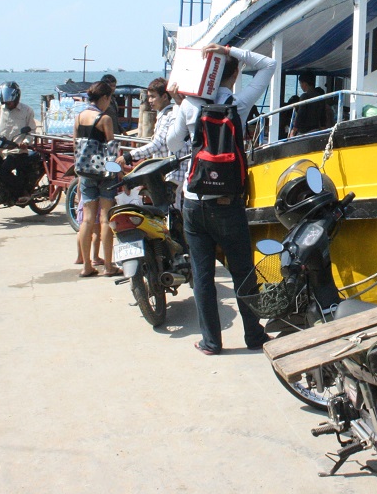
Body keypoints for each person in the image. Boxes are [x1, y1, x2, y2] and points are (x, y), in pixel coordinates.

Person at [164, 43, 275, 354]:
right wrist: (229, 49)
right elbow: (270, 64)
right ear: (235, 73)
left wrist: (178, 103)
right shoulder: (238, 103)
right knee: (243, 271)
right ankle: (254, 336)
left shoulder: (188, 106)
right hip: (227, 203)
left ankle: (211, 341)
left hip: (194, 202)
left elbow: (173, 145)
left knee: (203, 275)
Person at [116, 77, 191, 205]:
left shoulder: (168, 115)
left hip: (171, 171)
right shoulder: (168, 114)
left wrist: (129, 156)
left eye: (153, 97)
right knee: (173, 209)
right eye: (149, 97)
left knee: (170, 211)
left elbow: (156, 145)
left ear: (165, 97)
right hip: (171, 170)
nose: (149, 100)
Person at [74, 82, 122, 278]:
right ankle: (109, 266)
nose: (108, 103)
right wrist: (120, 172)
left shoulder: (78, 117)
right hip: (104, 175)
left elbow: (75, 147)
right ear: (103, 98)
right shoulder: (105, 119)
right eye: (109, 98)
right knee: (105, 219)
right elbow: (112, 152)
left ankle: (87, 266)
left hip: (85, 173)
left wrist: (79, 176)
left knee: (86, 220)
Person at [0, 81, 43, 204]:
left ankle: (22, 191)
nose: (8, 104)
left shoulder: (27, 110)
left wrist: (25, 141)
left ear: (17, 98)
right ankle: (2, 191)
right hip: (0, 147)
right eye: (6, 103)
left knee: (4, 171)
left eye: (10, 102)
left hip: (17, 150)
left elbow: (32, 131)